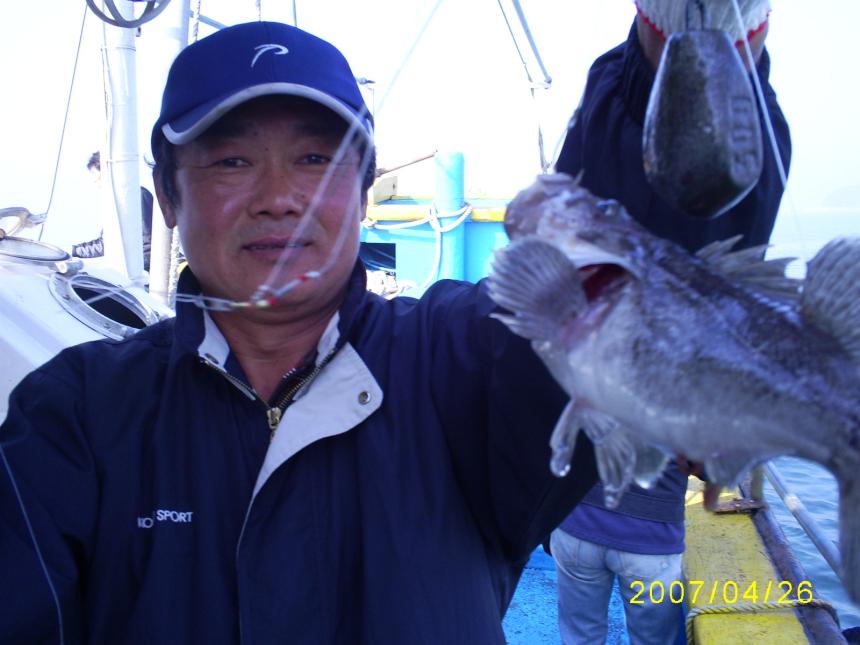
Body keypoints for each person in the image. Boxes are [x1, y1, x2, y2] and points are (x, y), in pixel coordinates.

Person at [0, 21, 598, 644]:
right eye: (232, 161)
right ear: (169, 198)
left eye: (316, 159)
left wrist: (649, 62)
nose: (279, 198)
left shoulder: (459, 363)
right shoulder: (76, 412)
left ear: (364, 192)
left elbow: (621, 261)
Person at [550, 1, 791, 643]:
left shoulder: (582, 377)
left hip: (573, 532)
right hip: (650, 547)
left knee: (577, 635)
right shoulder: (764, 133)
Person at [71, 150, 155, 271]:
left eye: (98, 178)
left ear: (110, 173)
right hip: (138, 268)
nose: (97, 183)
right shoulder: (119, 204)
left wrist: (137, 271)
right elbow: (107, 244)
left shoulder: (137, 196)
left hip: (152, 271)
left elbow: (149, 243)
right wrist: (73, 251)